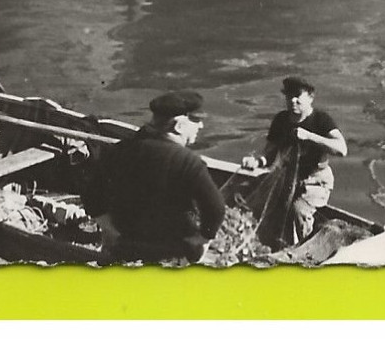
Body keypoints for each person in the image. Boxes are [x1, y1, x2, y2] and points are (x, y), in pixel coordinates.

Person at [85, 90, 225, 263]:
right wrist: (202, 239)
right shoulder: (189, 163)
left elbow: (90, 191)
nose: (201, 126)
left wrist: (109, 229)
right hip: (170, 251)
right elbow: (216, 209)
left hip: (125, 245)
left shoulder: (119, 149)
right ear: (178, 126)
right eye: (196, 120)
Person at [241, 75, 347, 242]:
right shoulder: (281, 120)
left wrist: (310, 136)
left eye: (298, 96)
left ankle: (304, 251)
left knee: (299, 211)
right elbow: (269, 153)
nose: (293, 101)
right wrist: (257, 161)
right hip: (284, 178)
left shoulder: (321, 120)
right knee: (255, 202)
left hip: (314, 182)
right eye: (289, 96)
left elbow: (342, 149)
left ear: (311, 98)